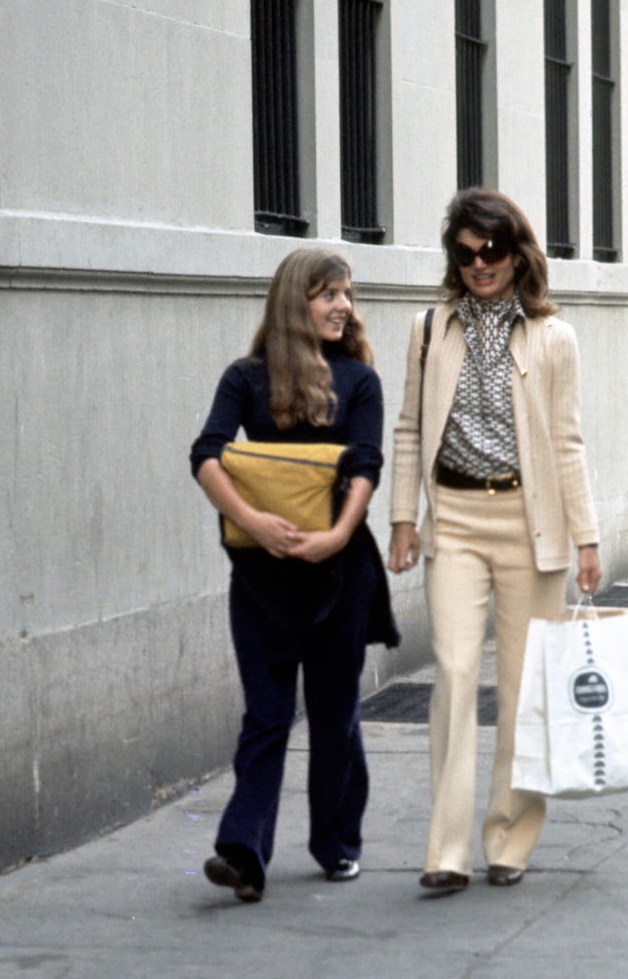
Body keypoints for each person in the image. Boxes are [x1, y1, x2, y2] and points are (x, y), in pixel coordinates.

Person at [387, 187, 601, 893]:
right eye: (467, 251)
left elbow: (567, 442)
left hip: (528, 522)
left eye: (494, 250)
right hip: (453, 516)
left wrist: (588, 538)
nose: (481, 263)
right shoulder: (429, 328)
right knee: (451, 673)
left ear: (517, 254)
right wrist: (402, 519)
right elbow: (411, 427)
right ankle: (445, 853)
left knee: (521, 688)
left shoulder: (552, 336)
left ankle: (509, 836)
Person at [190, 247, 399, 903]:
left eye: (346, 294)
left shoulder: (359, 380)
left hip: (342, 575)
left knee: (334, 715)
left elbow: (367, 462)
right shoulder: (245, 379)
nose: (343, 306)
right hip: (262, 575)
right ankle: (243, 854)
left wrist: (337, 535)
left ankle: (337, 844)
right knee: (267, 714)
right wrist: (255, 523)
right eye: (328, 293)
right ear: (294, 301)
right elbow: (205, 455)